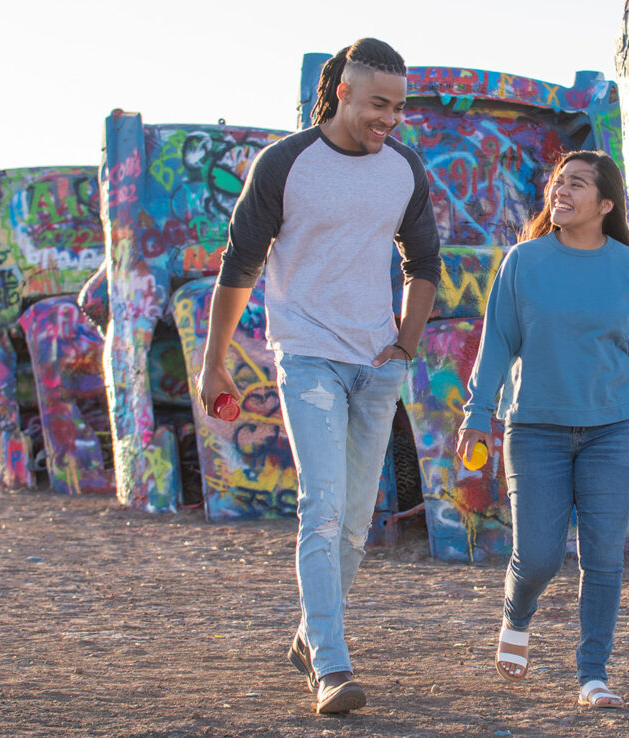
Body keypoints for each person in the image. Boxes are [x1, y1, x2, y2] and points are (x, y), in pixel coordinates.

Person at [200, 37, 440, 715]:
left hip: (377, 363)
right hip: (306, 355)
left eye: (397, 107)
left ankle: (309, 636)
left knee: (358, 521)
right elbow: (239, 264)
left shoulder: (405, 169)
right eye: (377, 105)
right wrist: (214, 360)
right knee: (324, 504)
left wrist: (406, 340)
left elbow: (424, 260)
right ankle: (331, 666)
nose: (389, 118)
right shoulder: (286, 163)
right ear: (344, 93)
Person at [456, 151, 629, 709]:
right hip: (535, 429)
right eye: (558, 182)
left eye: (577, 184)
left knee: (603, 558)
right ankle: (518, 614)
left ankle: (593, 674)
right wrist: (477, 414)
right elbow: (497, 343)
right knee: (538, 555)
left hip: (612, 431)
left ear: (606, 203)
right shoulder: (523, 261)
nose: (560, 191)